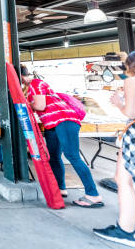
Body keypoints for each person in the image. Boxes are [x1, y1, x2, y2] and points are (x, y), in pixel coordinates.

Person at [21, 65, 103, 208]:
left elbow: (40, 106)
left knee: (73, 156)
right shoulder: (32, 87)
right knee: (54, 157)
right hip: (52, 124)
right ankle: (60, 188)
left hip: (64, 121)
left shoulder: (35, 83)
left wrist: (25, 104)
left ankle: (93, 194)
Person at [94, 50, 135, 247]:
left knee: (124, 179)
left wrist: (118, 103)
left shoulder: (133, 81)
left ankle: (124, 230)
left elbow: (130, 112)